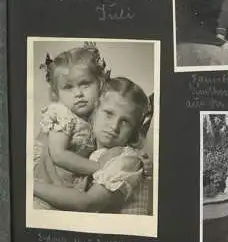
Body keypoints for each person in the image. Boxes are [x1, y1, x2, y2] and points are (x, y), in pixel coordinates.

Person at [34, 77, 154, 215]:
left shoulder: (127, 158)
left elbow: (87, 203)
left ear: (134, 130)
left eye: (125, 121)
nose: (114, 126)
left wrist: (29, 186)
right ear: (95, 110)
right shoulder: (90, 151)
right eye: (109, 113)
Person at [33, 43, 108, 209]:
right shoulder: (62, 114)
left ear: (100, 84)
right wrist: (99, 167)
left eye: (85, 84)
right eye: (68, 87)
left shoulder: (97, 116)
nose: (78, 93)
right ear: (56, 93)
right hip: (44, 181)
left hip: (67, 186)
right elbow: (58, 154)